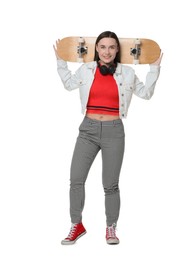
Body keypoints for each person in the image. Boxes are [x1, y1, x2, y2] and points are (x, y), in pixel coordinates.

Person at [53, 31, 162, 245]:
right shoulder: (86, 69)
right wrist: (60, 62)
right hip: (88, 130)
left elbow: (146, 93)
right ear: (96, 49)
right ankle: (77, 224)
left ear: (117, 50)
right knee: (76, 179)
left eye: (112, 47)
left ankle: (111, 227)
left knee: (110, 184)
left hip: (114, 130)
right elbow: (68, 84)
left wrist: (154, 68)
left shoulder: (127, 73)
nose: (107, 51)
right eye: (102, 47)